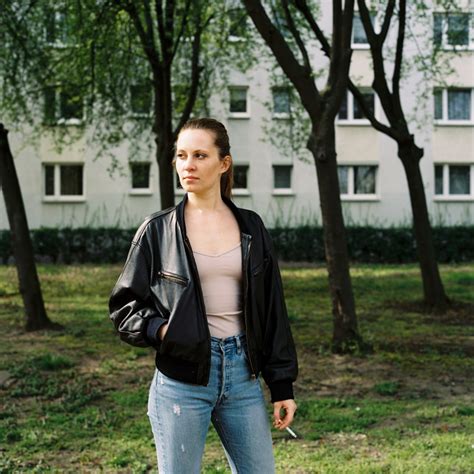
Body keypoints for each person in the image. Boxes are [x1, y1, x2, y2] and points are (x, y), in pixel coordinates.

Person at [108, 117, 298, 473]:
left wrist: (282, 384)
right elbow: (124, 306)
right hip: (182, 382)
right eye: (181, 156)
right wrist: (162, 331)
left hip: (243, 377)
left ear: (223, 163)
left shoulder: (251, 227)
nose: (188, 165)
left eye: (200, 155)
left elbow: (273, 309)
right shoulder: (157, 230)